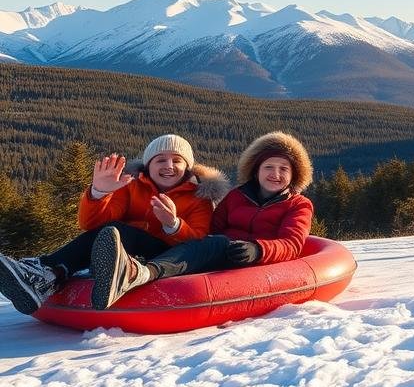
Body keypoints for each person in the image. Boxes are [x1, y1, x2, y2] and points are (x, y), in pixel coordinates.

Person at [0, 134, 228, 315]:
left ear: (187, 167)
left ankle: (46, 271)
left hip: (170, 257)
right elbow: (91, 224)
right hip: (124, 247)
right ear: (148, 165)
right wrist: (99, 193)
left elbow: (199, 243)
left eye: (176, 160)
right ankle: (51, 274)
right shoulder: (130, 185)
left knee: (119, 230)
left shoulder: (199, 197)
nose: (168, 165)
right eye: (160, 160)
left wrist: (173, 224)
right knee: (111, 230)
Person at [90, 131, 315, 310]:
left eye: (284, 169)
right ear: (256, 171)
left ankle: (141, 272)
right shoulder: (237, 196)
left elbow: (291, 243)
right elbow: (212, 228)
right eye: (269, 167)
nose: (275, 174)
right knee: (209, 242)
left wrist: (257, 249)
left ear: (294, 175)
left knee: (215, 242)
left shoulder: (298, 205)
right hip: (220, 252)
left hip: (257, 261)